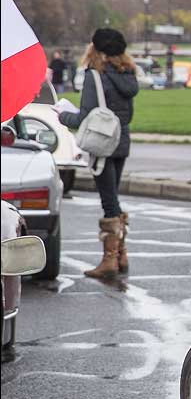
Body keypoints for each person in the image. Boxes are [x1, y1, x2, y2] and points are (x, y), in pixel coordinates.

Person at [56, 29, 139, 279]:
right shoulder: (128, 75)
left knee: (108, 200)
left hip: (103, 144)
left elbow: (84, 118)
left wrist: (61, 114)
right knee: (113, 196)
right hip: (121, 140)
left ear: (97, 50)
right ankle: (121, 253)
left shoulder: (94, 76)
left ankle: (110, 259)